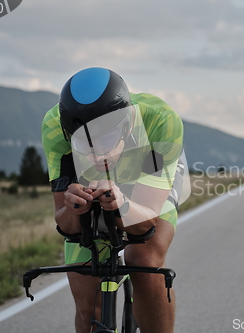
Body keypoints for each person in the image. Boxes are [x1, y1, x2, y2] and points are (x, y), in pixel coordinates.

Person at [41, 67, 184, 333]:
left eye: (106, 139)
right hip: (94, 183)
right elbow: (65, 223)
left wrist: (123, 205)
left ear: (126, 124)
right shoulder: (54, 128)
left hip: (149, 169)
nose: (96, 156)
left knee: (143, 258)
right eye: (83, 145)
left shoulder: (161, 121)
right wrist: (74, 210)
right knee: (87, 301)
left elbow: (146, 223)